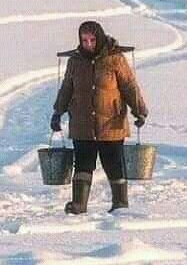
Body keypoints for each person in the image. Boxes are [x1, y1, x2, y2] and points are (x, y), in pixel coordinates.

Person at [50, 20, 148, 214]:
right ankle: (79, 204)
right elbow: (67, 89)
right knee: (83, 163)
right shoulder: (75, 62)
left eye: (92, 40)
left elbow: (129, 86)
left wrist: (140, 110)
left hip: (111, 123)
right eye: (84, 40)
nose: (88, 44)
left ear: (99, 38)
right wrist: (57, 112)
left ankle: (120, 204)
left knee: (113, 163)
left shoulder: (115, 59)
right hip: (82, 123)